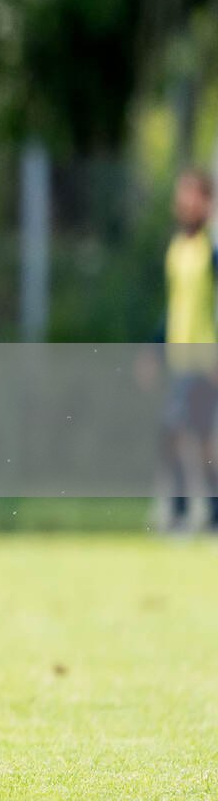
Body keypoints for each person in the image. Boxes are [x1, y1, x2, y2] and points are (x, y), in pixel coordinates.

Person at [153, 169, 218, 534]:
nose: (185, 203)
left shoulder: (211, 250)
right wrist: (154, 348)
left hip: (205, 361)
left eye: (193, 195)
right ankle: (206, 514)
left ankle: (182, 516)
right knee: (193, 438)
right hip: (180, 359)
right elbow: (175, 307)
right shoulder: (178, 249)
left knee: (179, 434)